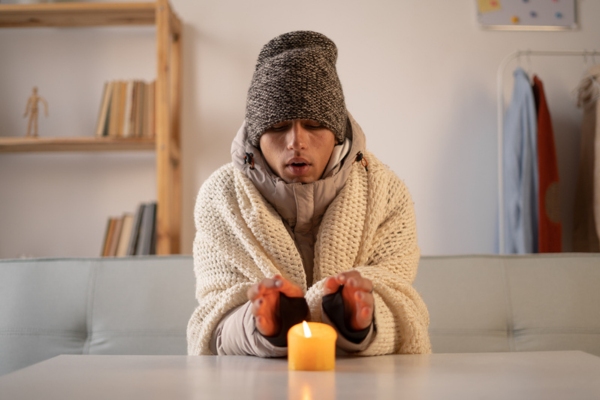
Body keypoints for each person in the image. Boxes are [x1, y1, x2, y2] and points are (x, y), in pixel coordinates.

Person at [187, 31, 431, 357]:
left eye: (314, 125)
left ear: (337, 132)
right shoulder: (221, 198)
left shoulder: (386, 193)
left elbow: (402, 302)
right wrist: (258, 323)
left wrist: (359, 318)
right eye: (277, 127)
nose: (296, 142)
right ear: (256, 138)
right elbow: (212, 317)